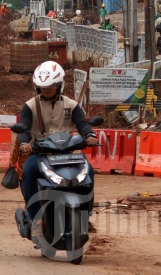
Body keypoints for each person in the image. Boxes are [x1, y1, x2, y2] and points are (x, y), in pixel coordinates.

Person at [18, 61, 98, 226]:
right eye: (42, 86)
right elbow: (23, 127)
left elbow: (83, 124)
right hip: (40, 154)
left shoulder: (71, 105)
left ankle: (86, 214)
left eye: (51, 86)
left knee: (88, 170)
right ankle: (36, 218)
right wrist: (24, 142)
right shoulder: (30, 106)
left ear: (59, 85)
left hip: (66, 153)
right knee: (28, 172)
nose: (46, 89)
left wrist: (89, 135)